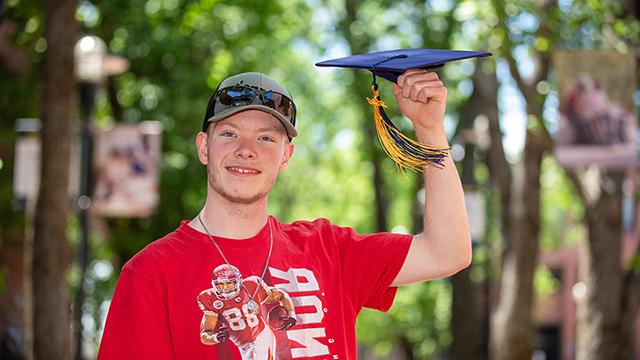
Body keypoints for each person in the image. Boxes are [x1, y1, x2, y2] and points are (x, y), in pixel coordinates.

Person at [98, 70, 471, 359]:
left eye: (266, 138)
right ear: (204, 148)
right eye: (229, 134)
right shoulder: (150, 273)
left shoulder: (328, 251)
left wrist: (429, 128)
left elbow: (448, 251)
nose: (246, 150)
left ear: (286, 157)